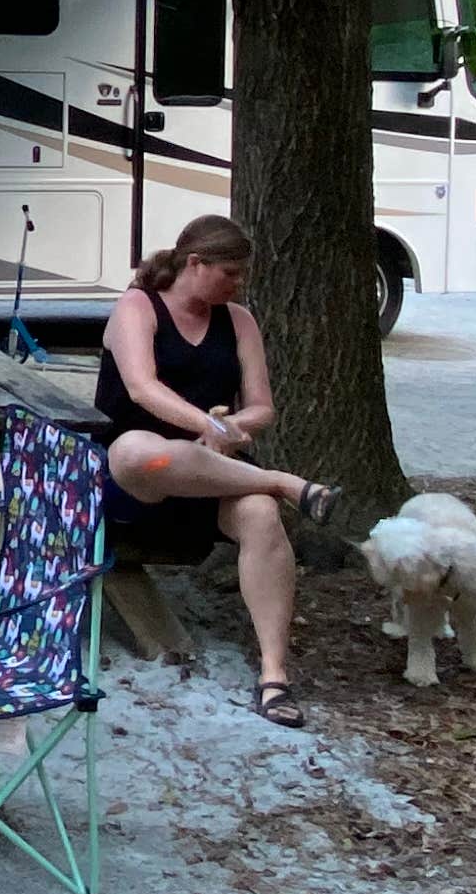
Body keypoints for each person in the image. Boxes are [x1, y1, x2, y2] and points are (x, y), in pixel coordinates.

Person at [96, 214, 339, 728]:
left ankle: (274, 677)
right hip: (143, 477)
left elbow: (261, 407)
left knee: (260, 516)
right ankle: (285, 482)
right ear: (195, 263)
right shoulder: (137, 307)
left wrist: (230, 429)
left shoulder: (239, 320)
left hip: (215, 472)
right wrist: (205, 423)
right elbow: (142, 388)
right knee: (143, 451)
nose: (238, 283)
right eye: (230, 272)